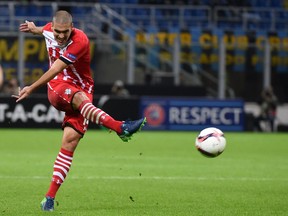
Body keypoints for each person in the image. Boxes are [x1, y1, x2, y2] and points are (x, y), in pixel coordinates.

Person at [15, 10, 146, 212]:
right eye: (57, 31)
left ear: (72, 28)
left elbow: (58, 64)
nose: (60, 36)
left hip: (83, 89)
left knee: (70, 141)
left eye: (64, 32)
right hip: (58, 87)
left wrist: (31, 87)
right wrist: (35, 29)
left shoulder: (80, 40)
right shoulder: (51, 30)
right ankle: (120, 127)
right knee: (78, 98)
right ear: (53, 26)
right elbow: (52, 59)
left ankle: (49, 198)